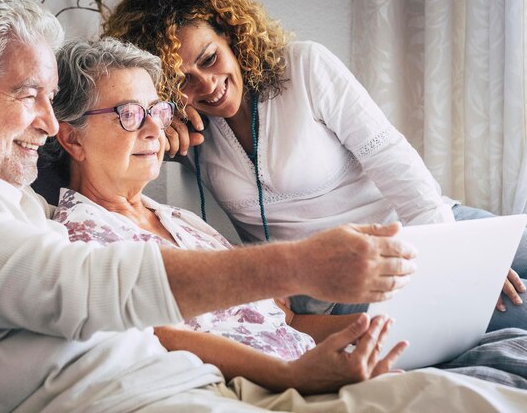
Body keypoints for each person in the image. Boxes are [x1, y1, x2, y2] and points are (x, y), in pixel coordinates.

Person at [0, 0, 523, 413]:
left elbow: (277, 316)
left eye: (159, 110)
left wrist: (386, 336)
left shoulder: (32, 209)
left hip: (284, 345)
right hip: (217, 389)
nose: (41, 118)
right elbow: (89, 290)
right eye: (29, 94)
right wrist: (299, 272)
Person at [103, 0, 527, 323]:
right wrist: (162, 126)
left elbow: (394, 161)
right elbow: (122, 172)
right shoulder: (187, 133)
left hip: (428, 224)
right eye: (183, 81)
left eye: (209, 59)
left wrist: (454, 254)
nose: (208, 85)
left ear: (230, 33)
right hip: (346, 277)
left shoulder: (303, 67)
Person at [44, 37, 409, 394]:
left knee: (461, 357)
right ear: (73, 139)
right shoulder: (79, 239)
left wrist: (388, 330)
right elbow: (155, 334)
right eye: (129, 114)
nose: (155, 128)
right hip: (266, 390)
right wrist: (292, 375)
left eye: (156, 110)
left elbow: (288, 320)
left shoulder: (181, 221)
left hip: (310, 371)